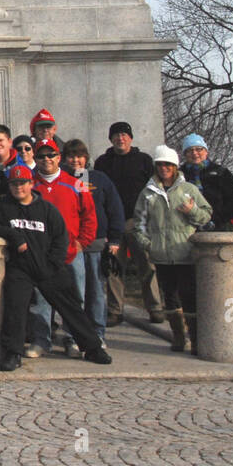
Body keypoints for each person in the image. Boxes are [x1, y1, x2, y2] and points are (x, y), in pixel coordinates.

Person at [0, 165, 112, 372]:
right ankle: (13, 353)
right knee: (15, 307)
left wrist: (54, 264)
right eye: (14, 184)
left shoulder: (47, 209)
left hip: (48, 267)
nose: (18, 188)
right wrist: (12, 235)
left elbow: (61, 238)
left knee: (71, 306)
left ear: (31, 184)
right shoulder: (1, 206)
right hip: (20, 267)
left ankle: (93, 347)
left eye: (22, 183)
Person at [134, 145, 212, 353]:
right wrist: (148, 244)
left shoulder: (189, 190)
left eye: (168, 165)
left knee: (189, 297)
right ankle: (178, 336)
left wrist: (192, 210)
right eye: (160, 165)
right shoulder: (148, 192)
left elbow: (206, 215)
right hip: (161, 255)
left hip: (185, 254)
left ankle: (195, 339)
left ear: (175, 166)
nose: (164, 168)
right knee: (170, 297)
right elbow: (139, 223)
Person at [26, 138, 97, 358]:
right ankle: (41, 340)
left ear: (59, 158)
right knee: (40, 299)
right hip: (41, 254)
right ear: (35, 159)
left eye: (51, 155)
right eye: (41, 156)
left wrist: (81, 242)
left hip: (69, 253)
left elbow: (90, 216)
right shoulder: (30, 185)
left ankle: (74, 339)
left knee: (75, 297)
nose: (46, 160)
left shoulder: (76, 183)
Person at [94, 121, 162, 325]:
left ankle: (155, 307)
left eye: (124, 134)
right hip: (112, 223)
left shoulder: (143, 160)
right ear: (110, 139)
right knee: (114, 268)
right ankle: (115, 310)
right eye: (116, 135)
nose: (120, 138)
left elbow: (155, 190)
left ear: (131, 138)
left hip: (138, 221)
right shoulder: (103, 162)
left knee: (147, 265)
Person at [62, 138, 124, 351]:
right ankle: (72, 335)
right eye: (71, 156)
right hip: (71, 246)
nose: (75, 160)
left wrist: (115, 239)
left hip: (97, 244)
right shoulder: (61, 179)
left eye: (79, 156)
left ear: (86, 158)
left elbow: (114, 209)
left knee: (97, 293)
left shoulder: (100, 179)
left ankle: (97, 333)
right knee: (74, 293)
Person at [180, 134, 233, 231]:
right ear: (185, 154)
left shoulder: (220, 172)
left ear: (206, 151)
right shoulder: (179, 175)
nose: (195, 153)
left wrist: (217, 221)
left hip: (215, 228)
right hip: (185, 228)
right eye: (190, 150)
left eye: (199, 149)